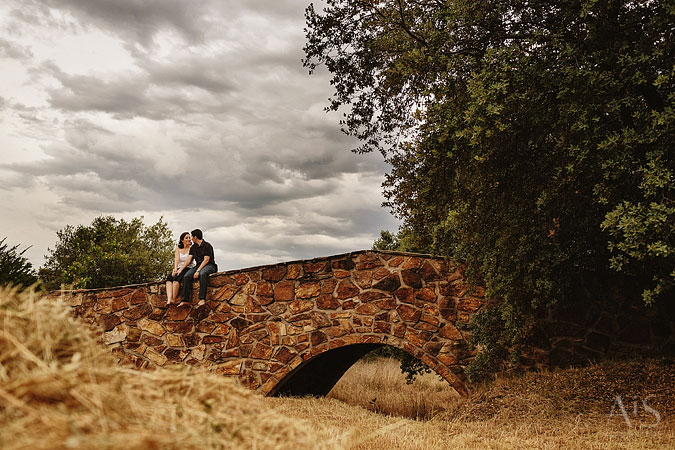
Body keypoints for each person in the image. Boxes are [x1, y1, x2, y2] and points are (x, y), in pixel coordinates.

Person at [179, 228, 218, 307]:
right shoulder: (193, 247)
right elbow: (188, 259)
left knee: (202, 274)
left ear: (195, 237)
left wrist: (198, 271)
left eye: (192, 237)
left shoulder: (207, 245)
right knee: (186, 276)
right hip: (199, 265)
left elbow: (206, 260)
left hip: (210, 265)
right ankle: (185, 300)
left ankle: (202, 299)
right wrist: (180, 270)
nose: (191, 239)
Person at [165, 232, 195, 305]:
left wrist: (180, 270)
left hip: (187, 267)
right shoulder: (178, 248)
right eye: (186, 238)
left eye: (189, 237)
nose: (189, 239)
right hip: (179, 268)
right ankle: (169, 299)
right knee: (169, 279)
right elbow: (177, 259)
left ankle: (173, 299)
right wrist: (175, 269)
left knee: (176, 280)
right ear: (182, 240)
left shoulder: (192, 249)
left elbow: (188, 261)